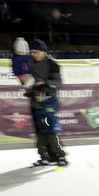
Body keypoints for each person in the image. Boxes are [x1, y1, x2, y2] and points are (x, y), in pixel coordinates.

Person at [20, 38, 68, 167]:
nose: (33, 54)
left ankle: (59, 155)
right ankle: (44, 156)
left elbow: (58, 82)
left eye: (35, 52)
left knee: (49, 129)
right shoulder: (29, 64)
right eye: (31, 52)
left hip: (49, 102)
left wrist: (44, 83)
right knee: (39, 131)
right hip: (35, 102)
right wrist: (29, 89)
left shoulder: (52, 64)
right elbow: (27, 82)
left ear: (43, 51)